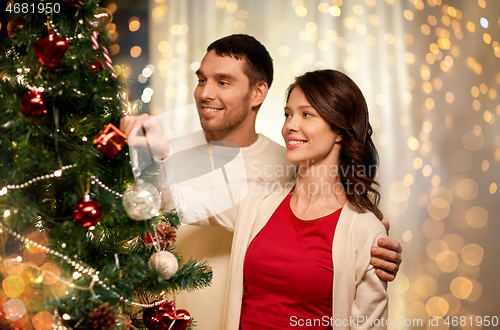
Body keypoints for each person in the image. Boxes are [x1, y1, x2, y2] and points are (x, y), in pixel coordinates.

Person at [120, 34, 401, 328]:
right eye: (288, 114)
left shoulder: (361, 227)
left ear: (340, 130)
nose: (290, 125)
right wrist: (157, 156)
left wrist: (372, 245)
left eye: (307, 114)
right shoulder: (258, 199)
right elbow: (176, 203)